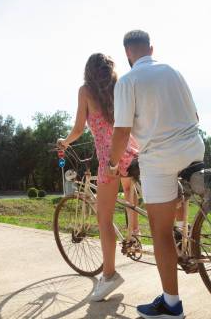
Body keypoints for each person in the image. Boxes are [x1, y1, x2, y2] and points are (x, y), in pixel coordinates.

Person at [107, 30, 205, 319]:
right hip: (194, 148)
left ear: (127, 53)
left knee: (159, 232)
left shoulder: (127, 81)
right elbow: (196, 117)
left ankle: (171, 305)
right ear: (151, 48)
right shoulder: (174, 71)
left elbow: (122, 131)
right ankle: (184, 238)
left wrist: (112, 165)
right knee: (176, 204)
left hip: (160, 159)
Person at [57, 53, 139, 301]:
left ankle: (110, 275)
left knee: (104, 219)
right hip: (132, 150)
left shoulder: (85, 91)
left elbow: (79, 128)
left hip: (109, 158)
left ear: (89, 71)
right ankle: (133, 234)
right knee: (130, 191)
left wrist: (64, 142)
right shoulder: (119, 88)